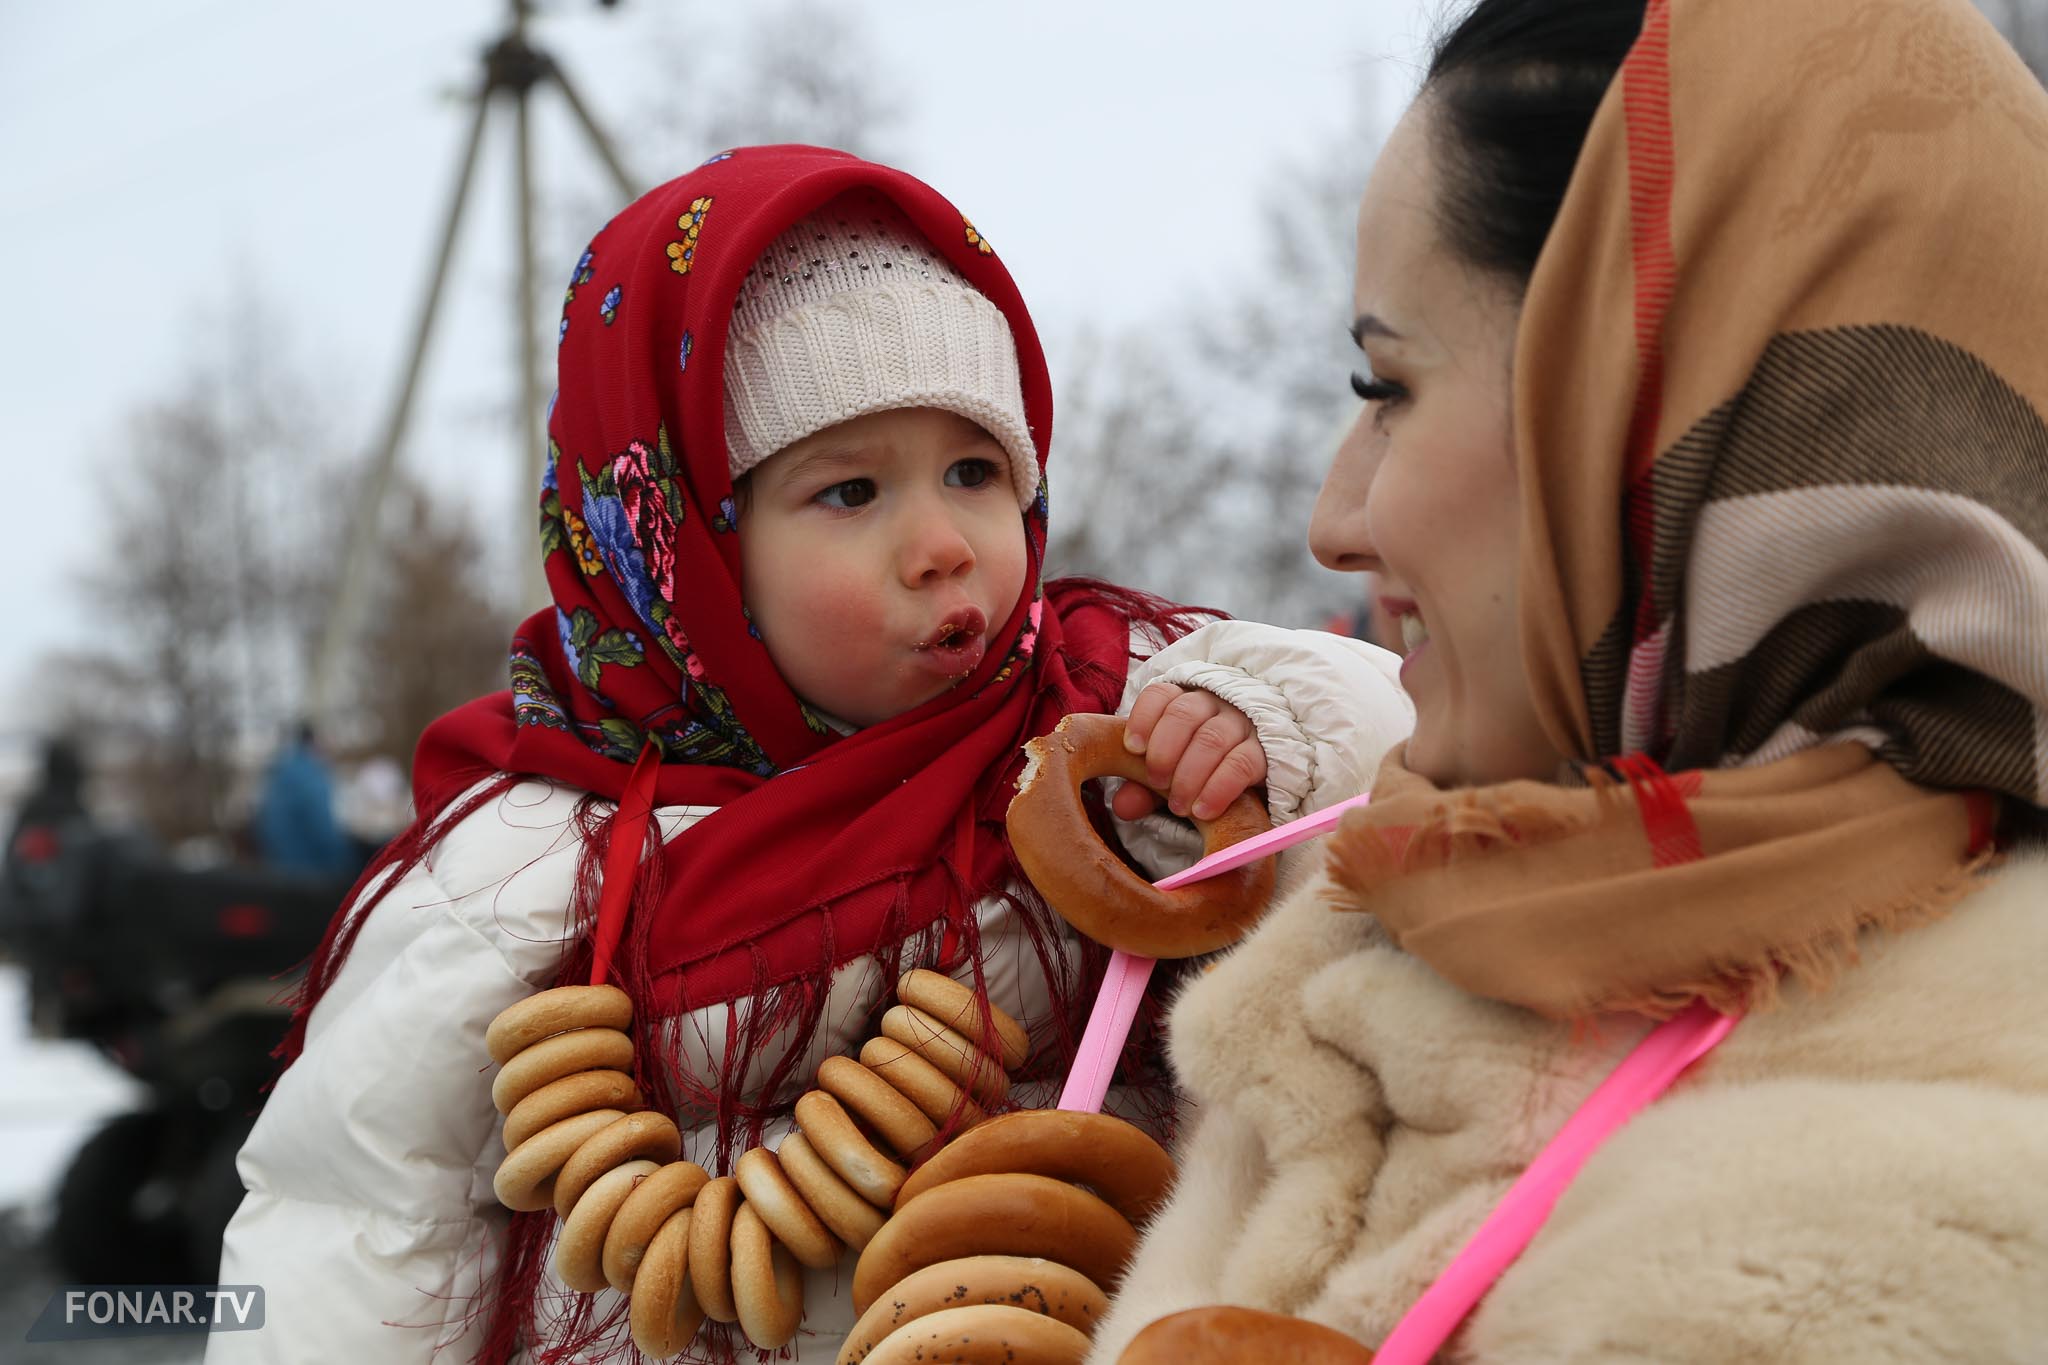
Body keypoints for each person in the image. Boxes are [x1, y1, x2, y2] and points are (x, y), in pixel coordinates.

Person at [210, 146, 1411, 1364]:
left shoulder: (1105, 707)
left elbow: (1398, 738)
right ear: (685, 551)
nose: (943, 543)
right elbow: (350, 1237)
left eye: (974, 470)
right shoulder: (513, 876)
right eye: (849, 492)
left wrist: (1254, 725)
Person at [1089, 0, 2048, 1359]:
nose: (1334, 518)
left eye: (1390, 385)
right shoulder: (1389, 925)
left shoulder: (1893, 1258)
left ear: (1636, 406)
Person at [251, 723, 356, 879]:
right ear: (313, 742)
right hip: (309, 873)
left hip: (278, 867)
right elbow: (324, 834)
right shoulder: (311, 775)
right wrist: (352, 865)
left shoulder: (279, 771)